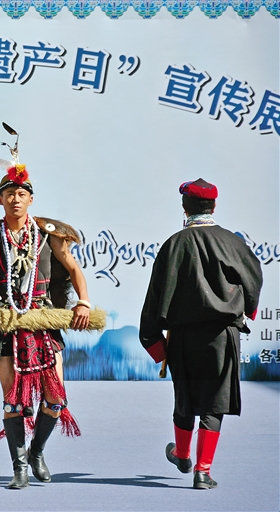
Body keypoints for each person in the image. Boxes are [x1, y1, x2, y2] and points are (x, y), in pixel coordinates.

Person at [0, 125, 93, 489]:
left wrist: (83, 302)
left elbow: (74, 270)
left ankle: (36, 452)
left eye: (21, 194)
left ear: (31, 199)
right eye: (9, 194)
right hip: (3, 326)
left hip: (43, 323)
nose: (15, 199)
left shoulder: (49, 235)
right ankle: (19, 468)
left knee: (55, 398)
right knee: (12, 400)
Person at [140, 178, 262, 490]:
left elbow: (155, 296)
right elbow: (253, 277)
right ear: (214, 206)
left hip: (182, 336)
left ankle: (182, 455)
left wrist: (155, 342)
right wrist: (247, 309)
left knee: (184, 397)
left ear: (184, 207)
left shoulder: (173, 245)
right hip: (222, 335)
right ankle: (203, 472)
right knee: (214, 402)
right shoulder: (232, 242)